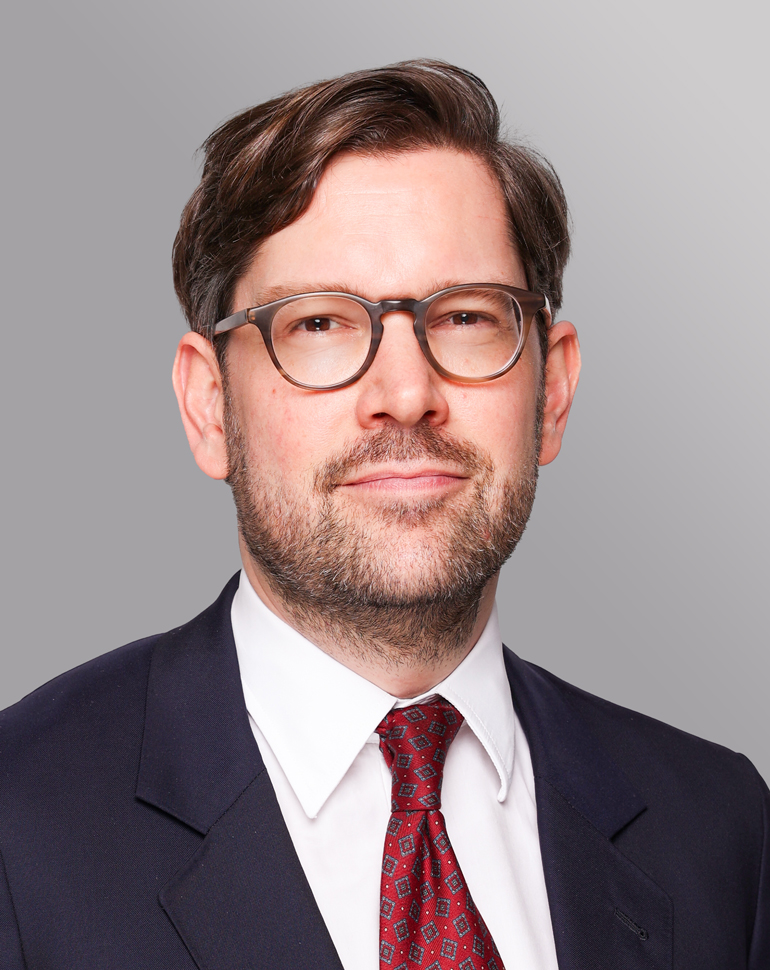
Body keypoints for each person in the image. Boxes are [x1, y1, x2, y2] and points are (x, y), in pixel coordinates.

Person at [0, 60, 766, 970]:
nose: (405, 394)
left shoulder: (720, 826)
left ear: (552, 392)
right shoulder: (20, 822)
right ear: (210, 407)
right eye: (319, 324)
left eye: (467, 318)